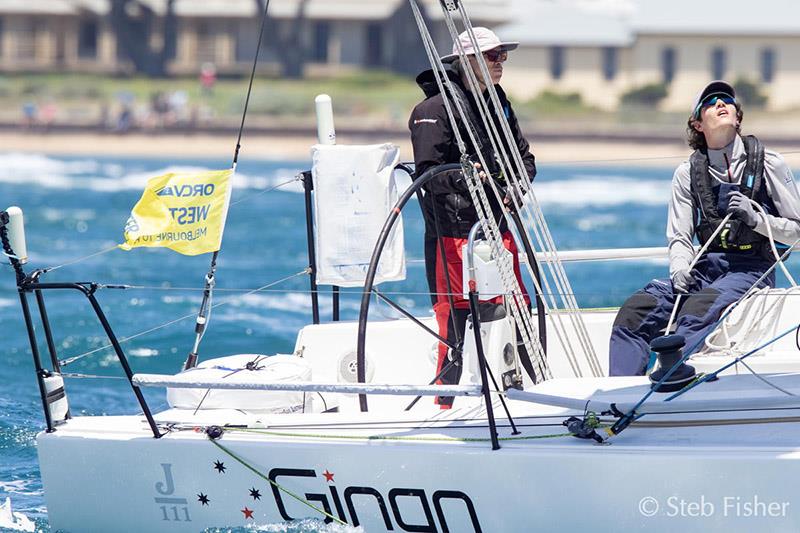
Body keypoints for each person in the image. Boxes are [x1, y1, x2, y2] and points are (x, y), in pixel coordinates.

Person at [609, 80, 800, 376]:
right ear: (698, 124)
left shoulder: (769, 163)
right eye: (710, 103)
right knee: (634, 312)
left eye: (726, 100)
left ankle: (667, 384)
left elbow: (797, 231)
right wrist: (679, 269)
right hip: (704, 269)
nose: (720, 104)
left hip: (750, 270)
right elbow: (680, 236)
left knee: (698, 308)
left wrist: (757, 220)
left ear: (737, 117)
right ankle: (618, 398)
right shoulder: (687, 173)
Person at [409, 27, 537, 407]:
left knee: (518, 307)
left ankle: (537, 389)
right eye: (493, 56)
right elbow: (428, 175)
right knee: (456, 319)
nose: (501, 63)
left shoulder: (498, 103)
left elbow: (523, 158)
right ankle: (443, 402)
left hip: (496, 225)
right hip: (452, 232)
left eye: (503, 56)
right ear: (466, 62)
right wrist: (471, 179)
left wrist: (517, 185)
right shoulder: (431, 111)